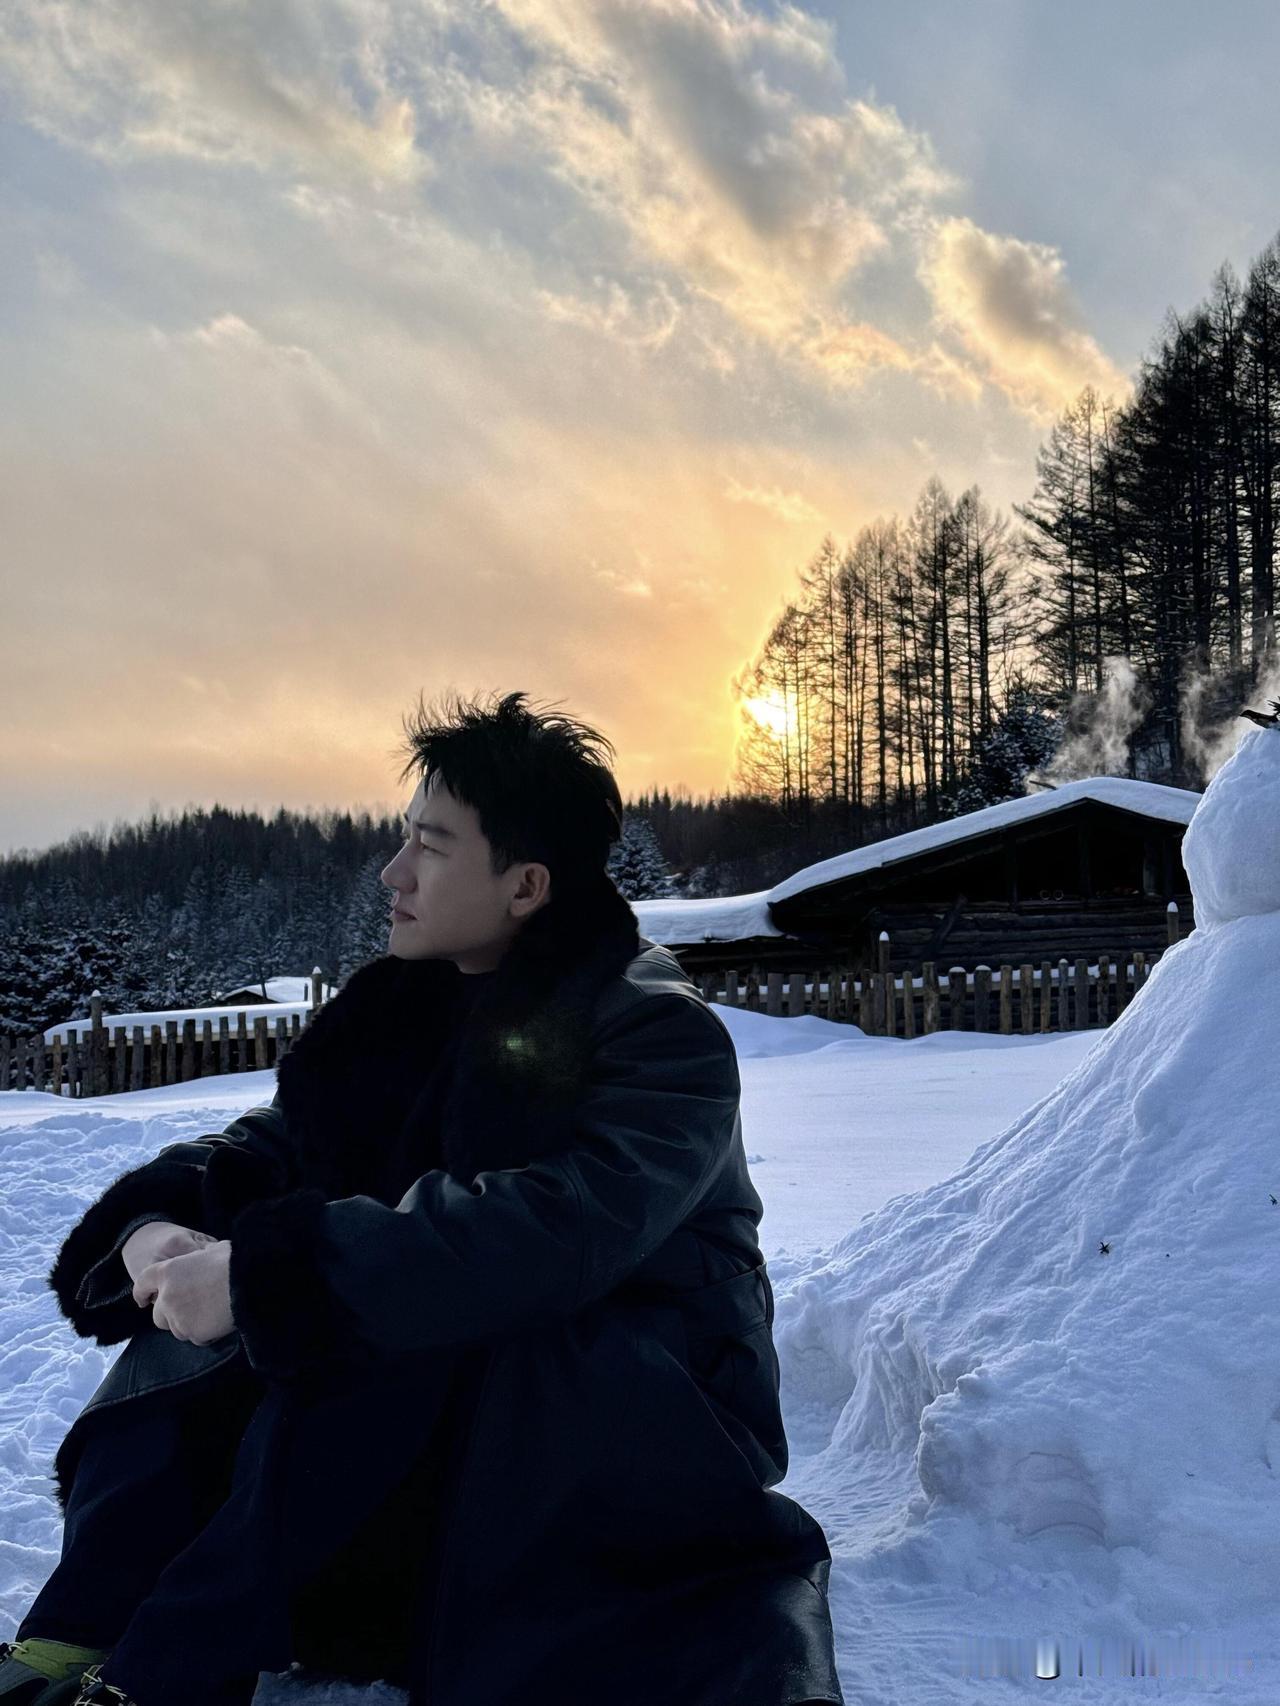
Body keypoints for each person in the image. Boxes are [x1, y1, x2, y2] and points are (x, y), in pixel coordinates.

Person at [10, 687, 844, 1706]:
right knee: (222, 1303)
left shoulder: (656, 1031)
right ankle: (77, 1633)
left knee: (364, 1309)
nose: (392, 872)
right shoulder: (399, 1008)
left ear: (525, 885)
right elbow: (273, 1146)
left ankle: (159, 1678)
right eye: (403, 837)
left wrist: (273, 1274)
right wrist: (155, 1227)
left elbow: (549, 1230)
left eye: (431, 846)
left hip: (631, 1413)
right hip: (465, 1405)